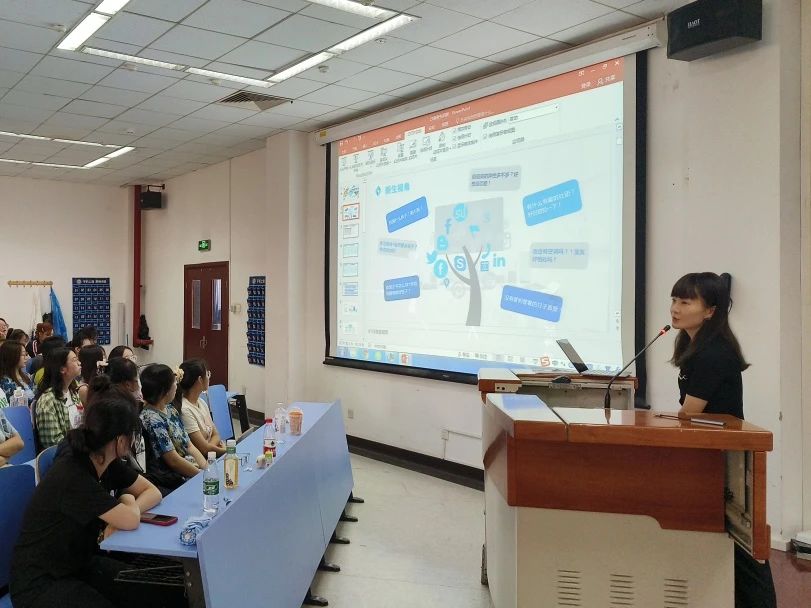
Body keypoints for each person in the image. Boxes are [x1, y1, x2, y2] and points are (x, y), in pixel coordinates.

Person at [669, 272, 776, 608]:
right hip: (710, 453)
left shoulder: (713, 353)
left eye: (685, 301)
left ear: (710, 311)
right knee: (724, 541)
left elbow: (690, 411)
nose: (675, 308)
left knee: (743, 547)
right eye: (674, 300)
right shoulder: (693, 346)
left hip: (727, 458)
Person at [8, 392, 175, 608]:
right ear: (121, 440)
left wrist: (125, 501)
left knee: (150, 591)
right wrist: (126, 501)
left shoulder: (104, 459)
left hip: (78, 562)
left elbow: (152, 492)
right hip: (40, 582)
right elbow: (130, 519)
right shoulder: (73, 473)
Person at [139, 364, 206, 495]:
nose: (176, 385)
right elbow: (173, 460)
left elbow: (189, 445)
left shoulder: (170, 409)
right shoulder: (151, 418)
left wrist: (206, 468)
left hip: (189, 470)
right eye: (174, 382)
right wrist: (201, 476)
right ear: (165, 390)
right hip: (171, 477)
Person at [35, 347, 82, 450]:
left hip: (77, 448)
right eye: (74, 360)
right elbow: (52, 443)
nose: (79, 363)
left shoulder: (73, 392)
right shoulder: (47, 401)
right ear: (62, 369)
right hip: (64, 454)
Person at [176, 359, 225, 457]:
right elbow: (203, 450)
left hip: (211, 455)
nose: (209, 378)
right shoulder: (185, 410)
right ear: (200, 380)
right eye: (207, 374)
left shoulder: (201, 402)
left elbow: (216, 435)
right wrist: (226, 451)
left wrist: (209, 447)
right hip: (201, 460)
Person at [0, 339, 34, 403]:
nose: (26, 358)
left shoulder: (26, 375)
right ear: (12, 357)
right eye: (23, 355)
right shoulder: (5, 382)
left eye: (26, 354)